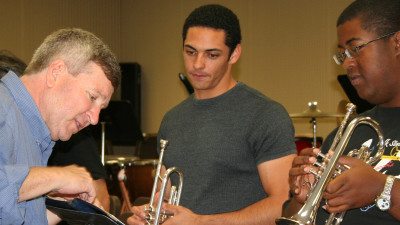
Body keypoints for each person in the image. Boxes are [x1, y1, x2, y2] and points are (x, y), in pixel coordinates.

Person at [128, 4, 296, 225]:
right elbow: (168, 198)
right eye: (190, 52)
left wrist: (199, 222)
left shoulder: (266, 115)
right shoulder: (172, 119)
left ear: (234, 53)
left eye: (212, 55)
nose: (197, 64)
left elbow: (284, 205)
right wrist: (153, 211)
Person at [283, 0, 400, 224]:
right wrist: (302, 199)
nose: (346, 64)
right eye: (342, 55)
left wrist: (383, 188)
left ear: (397, 43)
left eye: (355, 49)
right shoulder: (348, 132)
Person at [0, 28, 120, 224]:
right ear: (56, 73)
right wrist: (59, 176)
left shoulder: (36, 133)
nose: (95, 118)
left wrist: (62, 209)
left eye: (101, 107)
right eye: (92, 97)